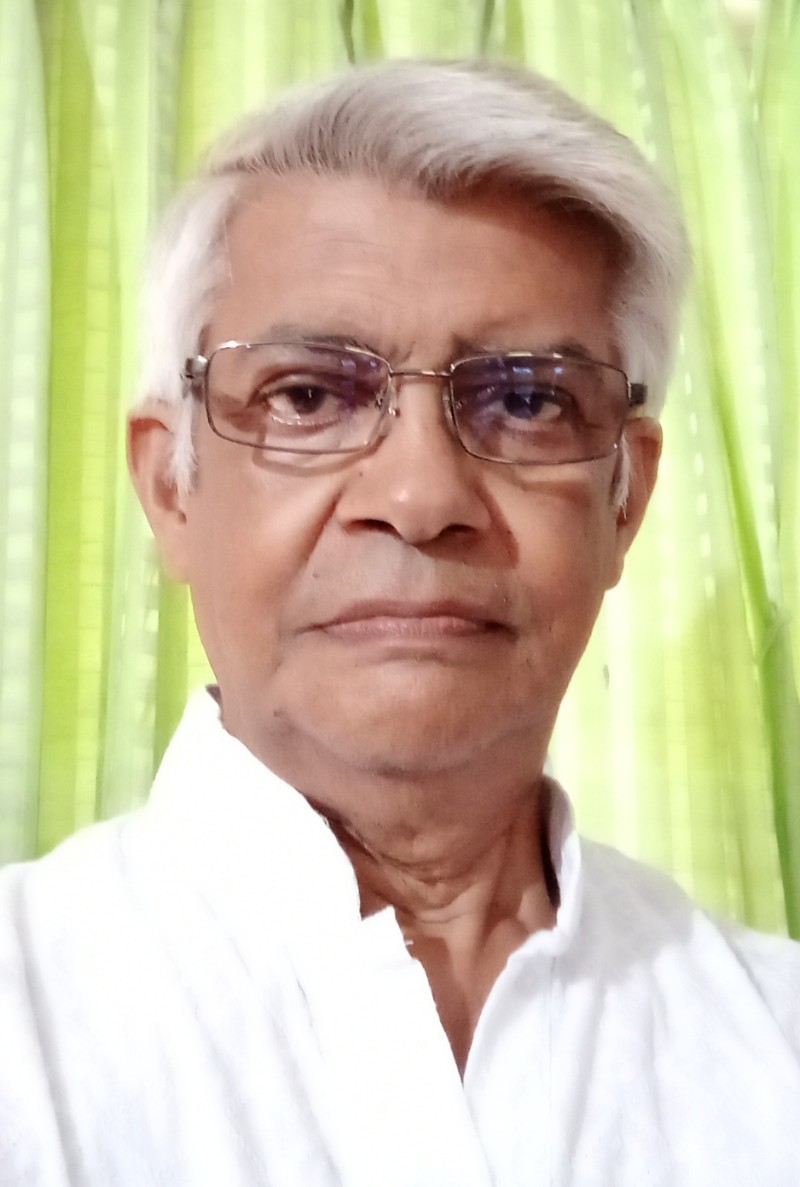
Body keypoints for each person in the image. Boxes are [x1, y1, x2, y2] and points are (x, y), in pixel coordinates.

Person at [1, 58, 798, 1187]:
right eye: (307, 395)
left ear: (626, 500)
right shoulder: (24, 1028)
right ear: (171, 487)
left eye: (525, 398)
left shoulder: (773, 1035)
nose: (420, 497)